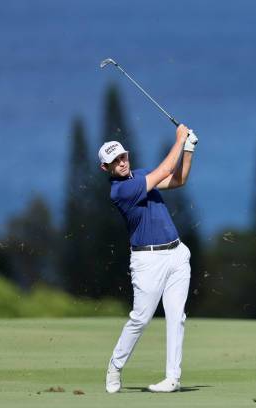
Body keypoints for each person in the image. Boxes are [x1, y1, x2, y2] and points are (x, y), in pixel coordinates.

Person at [99, 124, 198, 393]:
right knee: (141, 318)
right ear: (105, 168)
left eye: (122, 157)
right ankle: (115, 366)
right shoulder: (120, 192)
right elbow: (166, 170)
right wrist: (179, 139)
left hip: (177, 254)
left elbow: (178, 180)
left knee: (176, 316)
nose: (121, 163)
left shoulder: (141, 175)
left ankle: (172, 378)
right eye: (114, 161)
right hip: (148, 262)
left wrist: (188, 149)